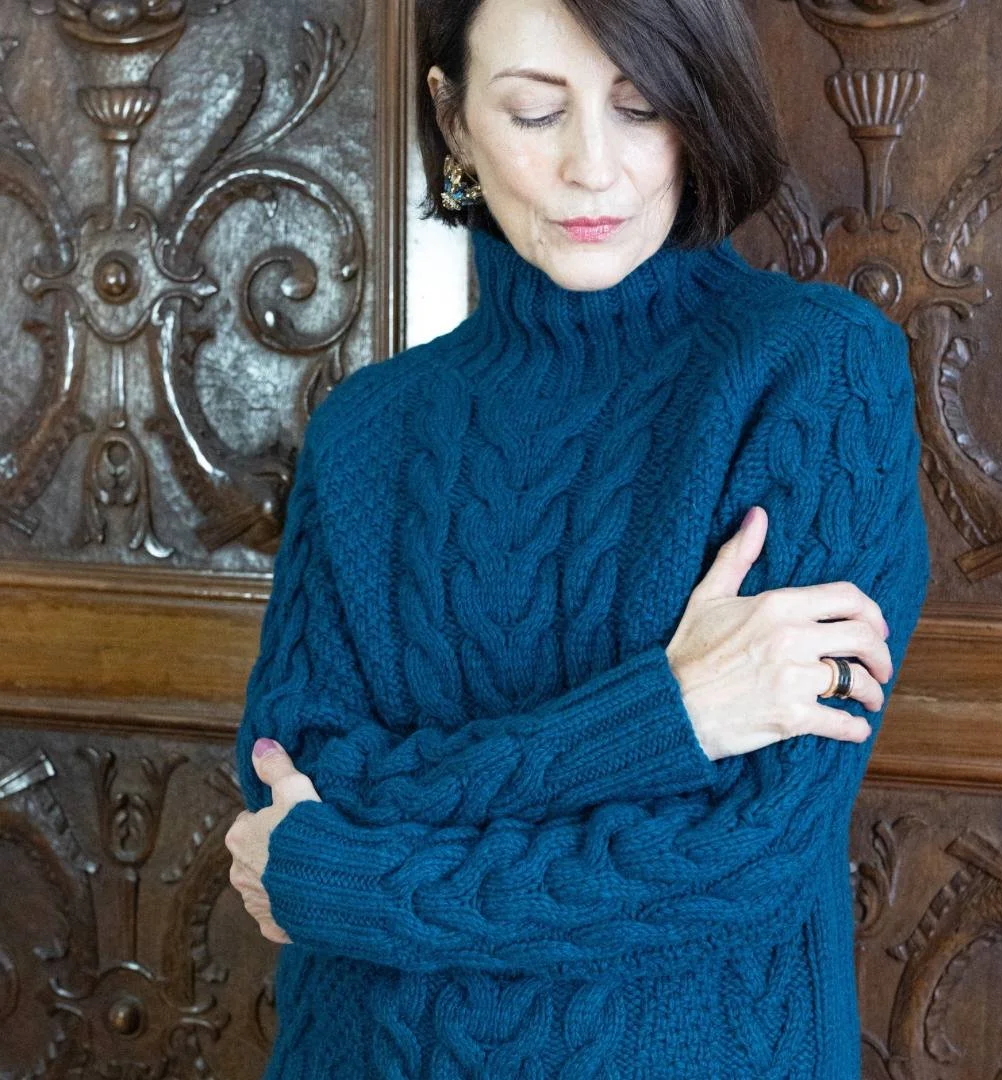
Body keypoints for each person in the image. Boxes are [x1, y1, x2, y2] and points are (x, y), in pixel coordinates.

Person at [224, 0, 931, 1075]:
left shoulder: (815, 376)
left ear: (699, 112)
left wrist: (345, 880)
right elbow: (296, 783)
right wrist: (666, 718)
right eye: (535, 112)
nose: (592, 168)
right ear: (454, 121)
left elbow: (747, 851)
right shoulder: (366, 431)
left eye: (640, 107)